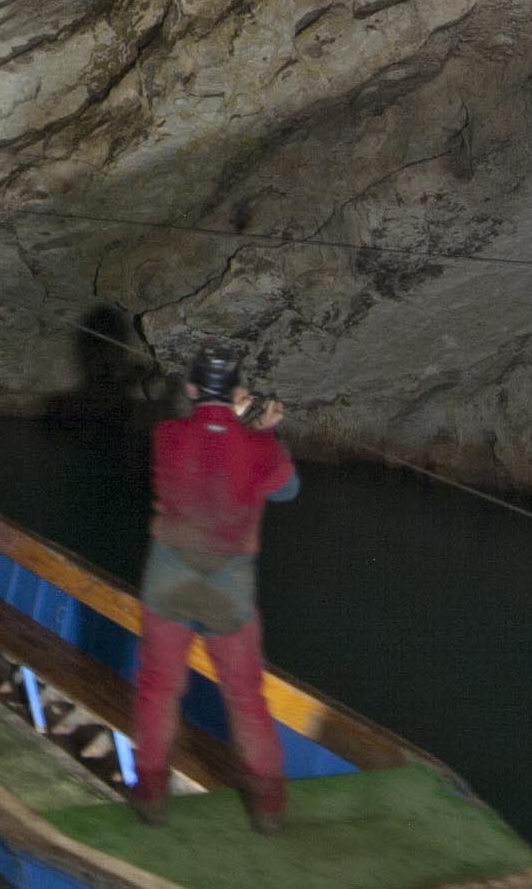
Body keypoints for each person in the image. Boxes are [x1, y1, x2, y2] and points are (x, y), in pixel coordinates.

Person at [131, 343, 300, 833]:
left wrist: (237, 420)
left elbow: (206, 442)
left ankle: (151, 794)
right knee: (246, 696)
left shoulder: (166, 435)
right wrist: (266, 431)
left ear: (190, 389)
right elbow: (287, 490)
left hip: (169, 579)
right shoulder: (259, 447)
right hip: (229, 586)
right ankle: (268, 806)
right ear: (237, 391)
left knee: (159, 687)